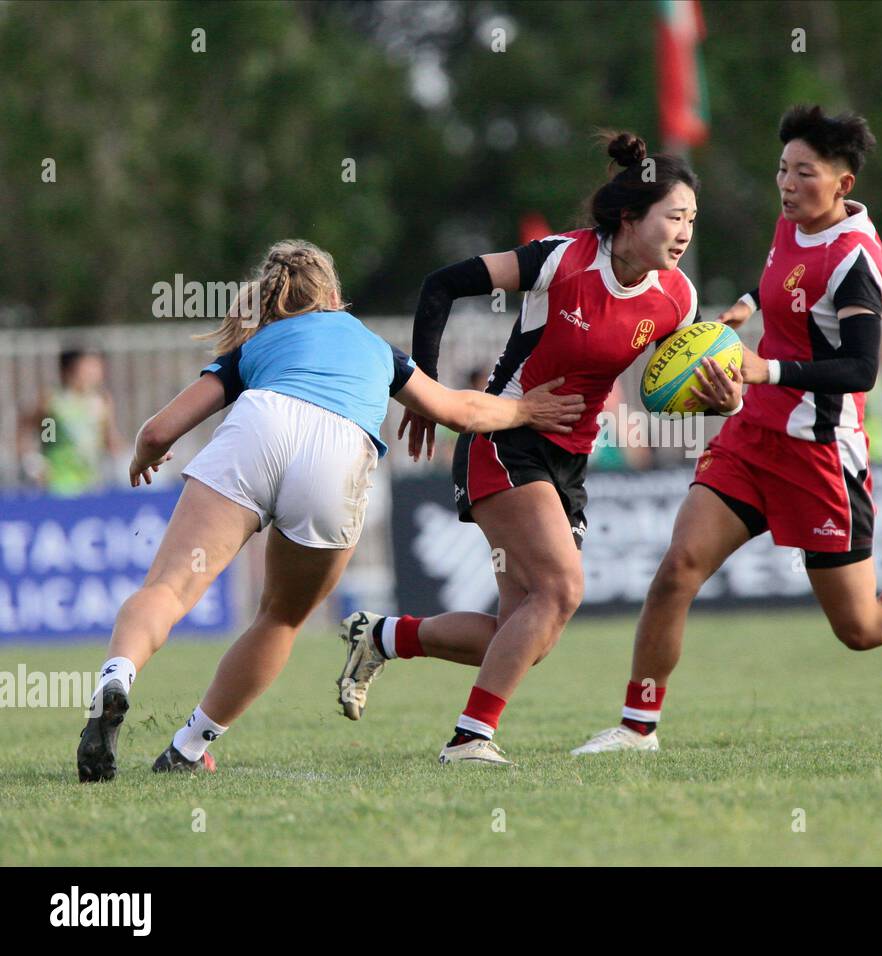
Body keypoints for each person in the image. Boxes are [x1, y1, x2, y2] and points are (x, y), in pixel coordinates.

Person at [572, 105, 882, 756]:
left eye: (804, 173)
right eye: (782, 169)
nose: (787, 184)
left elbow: (861, 368)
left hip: (819, 453)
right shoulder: (793, 223)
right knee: (676, 572)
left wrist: (763, 367)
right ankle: (638, 729)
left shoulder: (856, 259)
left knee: (864, 627)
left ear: (843, 183)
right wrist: (748, 307)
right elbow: (781, 276)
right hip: (753, 437)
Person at [75, 240, 581, 781]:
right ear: (335, 294)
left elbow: (158, 431)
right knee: (281, 618)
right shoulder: (374, 347)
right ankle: (188, 748)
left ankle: (117, 677)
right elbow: (458, 409)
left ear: (269, 300)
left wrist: (141, 456)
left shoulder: (255, 346)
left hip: (258, 425)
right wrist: (524, 408)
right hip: (337, 453)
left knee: (168, 591)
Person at [336, 133, 732, 766]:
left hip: (568, 460)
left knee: (523, 632)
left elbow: (670, 387)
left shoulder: (677, 298)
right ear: (630, 219)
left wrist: (721, 394)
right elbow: (442, 284)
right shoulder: (563, 260)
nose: (685, 232)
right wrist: (426, 393)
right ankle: (469, 739)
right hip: (502, 437)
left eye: (692, 219)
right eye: (674, 217)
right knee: (562, 589)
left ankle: (382, 635)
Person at [19, 349, 124, 495]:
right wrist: (34, 463)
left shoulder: (101, 401)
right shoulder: (53, 401)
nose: (95, 373)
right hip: (59, 482)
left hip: (91, 482)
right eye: (89, 368)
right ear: (70, 370)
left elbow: (110, 440)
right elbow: (37, 431)